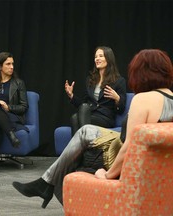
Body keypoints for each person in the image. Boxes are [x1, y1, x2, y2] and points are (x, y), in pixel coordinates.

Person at [12, 49, 173, 208]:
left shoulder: (143, 99)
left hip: (122, 162)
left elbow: (129, 145)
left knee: (78, 155)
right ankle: (47, 185)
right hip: (156, 168)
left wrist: (108, 175)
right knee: (86, 130)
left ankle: (49, 186)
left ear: (141, 73)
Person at [65, 46, 127, 134]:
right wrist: (71, 95)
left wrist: (117, 98)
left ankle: (82, 145)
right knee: (76, 116)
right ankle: (86, 146)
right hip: (89, 114)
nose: (97, 59)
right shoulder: (90, 80)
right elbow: (82, 104)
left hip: (105, 118)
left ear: (109, 59)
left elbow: (121, 109)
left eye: (101, 56)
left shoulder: (119, 81)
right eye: (96, 57)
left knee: (76, 117)